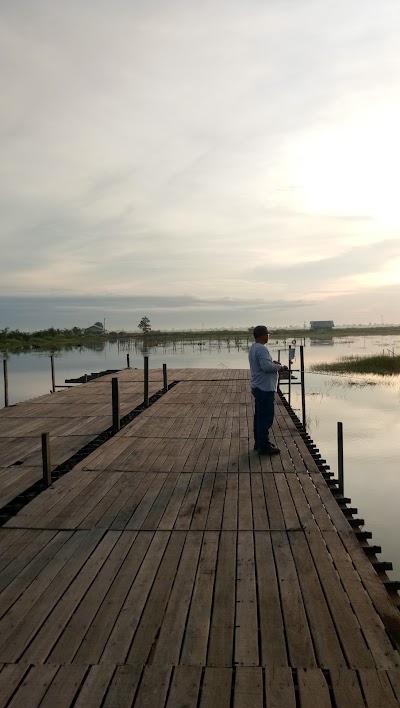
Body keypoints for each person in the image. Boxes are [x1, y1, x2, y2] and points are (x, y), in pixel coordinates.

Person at [248, 325, 288, 455]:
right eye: (267, 334)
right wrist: (280, 368)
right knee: (266, 418)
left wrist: (273, 363)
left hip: (258, 387)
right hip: (264, 388)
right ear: (263, 335)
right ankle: (264, 447)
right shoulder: (261, 349)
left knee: (259, 417)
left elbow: (264, 365)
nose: (268, 336)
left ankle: (259, 443)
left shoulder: (254, 347)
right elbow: (266, 368)